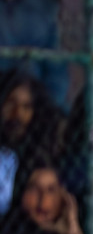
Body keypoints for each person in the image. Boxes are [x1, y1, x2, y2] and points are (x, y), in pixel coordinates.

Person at [0, 70, 62, 214]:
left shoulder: (38, 160)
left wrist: (73, 231)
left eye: (26, 107)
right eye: (11, 103)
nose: (18, 114)